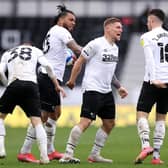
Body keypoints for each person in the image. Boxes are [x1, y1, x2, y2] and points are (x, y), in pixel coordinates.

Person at [17, 5, 82, 163]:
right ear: (61, 19)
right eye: (71, 19)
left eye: (75, 21)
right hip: (47, 77)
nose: (73, 23)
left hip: (51, 78)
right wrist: (91, 53)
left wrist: (66, 59)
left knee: (56, 114)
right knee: (43, 115)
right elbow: (76, 49)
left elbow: (57, 53)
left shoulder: (53, 31)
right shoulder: (61, 31)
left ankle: (50, 150)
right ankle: (25, 151)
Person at [59, 17, 128, 164]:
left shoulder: (115, 48)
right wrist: (72, 80)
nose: (121, 30)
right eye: (117, 27)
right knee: (86, 121)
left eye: (121, 28)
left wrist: (119, 86)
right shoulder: (95, 44)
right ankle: (67, 154)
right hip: (92, 89)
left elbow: (110, 72)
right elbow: (80, 61)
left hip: (106, 91)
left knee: (109, 123)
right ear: (107, 28)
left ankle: (94, 155)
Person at [0, 43, 66, 164]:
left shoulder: (8, 52)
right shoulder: (36, 50)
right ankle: (44, 156)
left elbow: (0, 71)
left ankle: (1, 149)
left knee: (0, 117)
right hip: (31, 86)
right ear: (29, 46)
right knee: (37, 122)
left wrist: (7, 84)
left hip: (14, 84)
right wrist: (56, 84)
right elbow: (48, 66)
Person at [134, 9, 168, 165]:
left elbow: (149, 60)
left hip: (152, 81)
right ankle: (156, 157)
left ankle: (146, 146)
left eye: (148, 21)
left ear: (153, 21)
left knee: (141, 114)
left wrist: (154, 79)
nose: (147, 24)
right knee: (161, 117)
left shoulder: (146, 37)